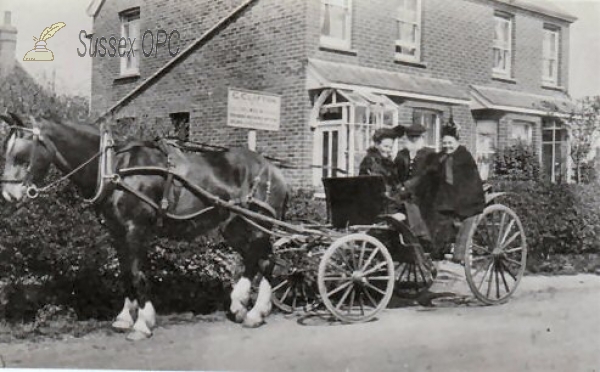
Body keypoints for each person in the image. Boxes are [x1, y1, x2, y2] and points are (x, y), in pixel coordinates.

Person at [432, 119, 486, 259]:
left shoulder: (464, 157)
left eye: (450, 143)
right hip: (447, 197)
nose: (447, 146)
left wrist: (457, 200)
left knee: (447, 215)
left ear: (457, 142)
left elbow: (470, 182)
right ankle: (438, 249)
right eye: (444, 143)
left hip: (466, 198)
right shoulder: (441, 157)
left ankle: (457, 252)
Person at [392, 123, 438, 247]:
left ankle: (424, 241)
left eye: (416, 137)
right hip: (403, 193)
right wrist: (398, 186)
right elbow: (395, 173)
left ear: (422, 138)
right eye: (410, 137)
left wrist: (408, 186)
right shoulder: (402, 154)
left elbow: (426, 175)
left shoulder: (430, 154)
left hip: (424, 194)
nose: (413, 140)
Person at [359, 127, 400, 194]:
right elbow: (377, 185)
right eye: (386, 146)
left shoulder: (389, 162)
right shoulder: (370, 161)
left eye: (390, 147)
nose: (389, 150)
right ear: (376, 145)